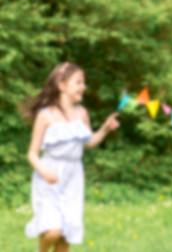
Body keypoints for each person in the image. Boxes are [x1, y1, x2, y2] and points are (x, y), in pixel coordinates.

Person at [23, 62, 120, 251]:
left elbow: (89, 141)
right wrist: (45, 171)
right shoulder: (45, 116)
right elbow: (32, 154)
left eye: (83, 82)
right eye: (78, 82)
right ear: (62, 85)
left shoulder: (82, 113)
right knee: (52, 231)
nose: (83, 87)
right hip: (50, 176)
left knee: (64, 238)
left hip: (73, 177)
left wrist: (105, 128)